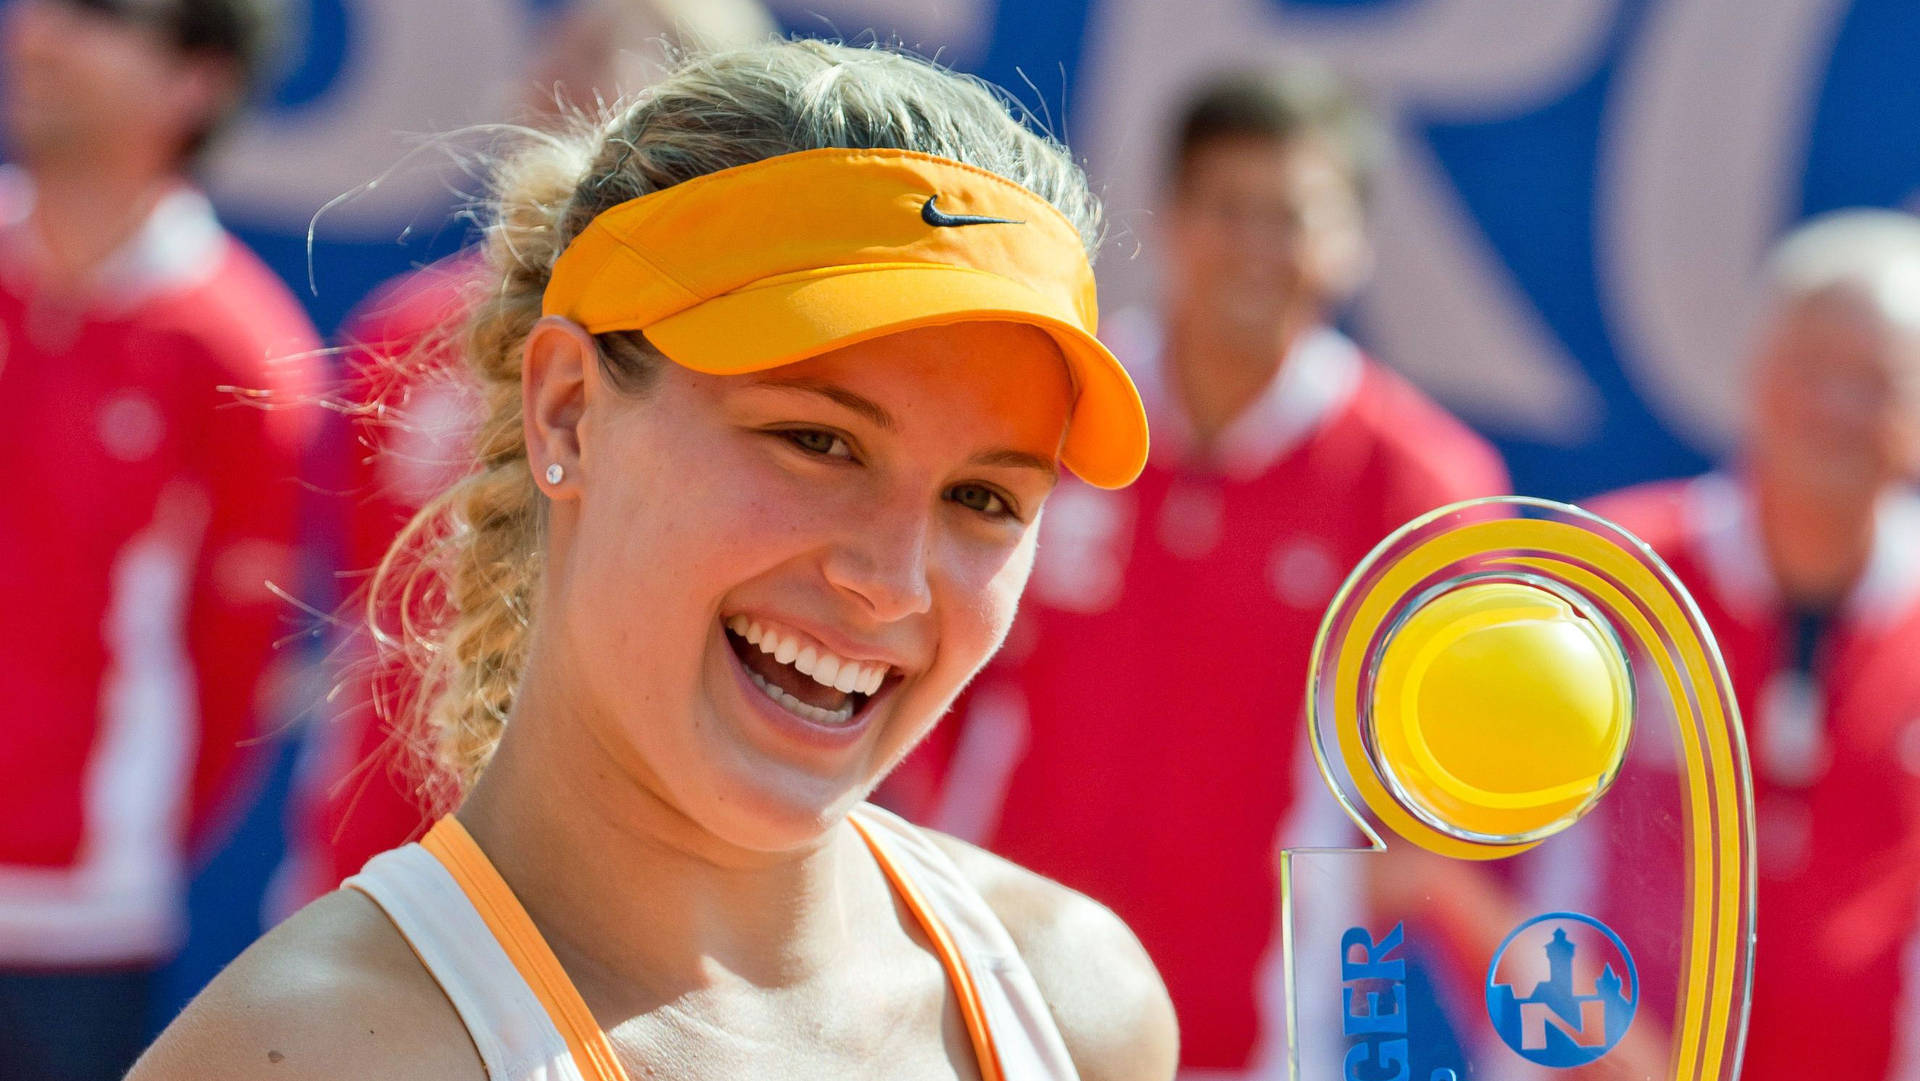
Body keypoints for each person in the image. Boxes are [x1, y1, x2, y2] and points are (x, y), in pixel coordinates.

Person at [132, 39, 1179, 1081]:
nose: (893, 580)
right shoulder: (307, 1059)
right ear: (569, 411)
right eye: (818, 441)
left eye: (983, 498)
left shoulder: (1079, 1004)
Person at [880, 66, 1508, 1076]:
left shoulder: (1421, 483)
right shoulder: (1051, 409)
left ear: (1352, 245)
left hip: (1251, 1043)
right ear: (1170, 219)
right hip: (980, 1001)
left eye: (1292, 216)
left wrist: (1345, 957)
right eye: (1227, 209)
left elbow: (1455, 810)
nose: (1256, 249)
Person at [272, 0, 776, 917]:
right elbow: (355, 598)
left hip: (587, 902)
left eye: (621, 63)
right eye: (566, 48)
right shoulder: (401, 329)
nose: (569, 80)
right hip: (363, 866)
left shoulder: (725, 375)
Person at [0, 0, 319, 1077]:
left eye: (97, 15)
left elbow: (236, 676)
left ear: (197, 80)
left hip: (72, 942)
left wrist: (104, 848)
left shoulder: (243, 356)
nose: (37, 36)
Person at [1592, 209, 1920, 1081]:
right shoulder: (1612, 575)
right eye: (1810, 367)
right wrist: (1588, 1035)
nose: (1833, 408)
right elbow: (1437, 859)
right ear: (1753, 375)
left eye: (1875, 379)